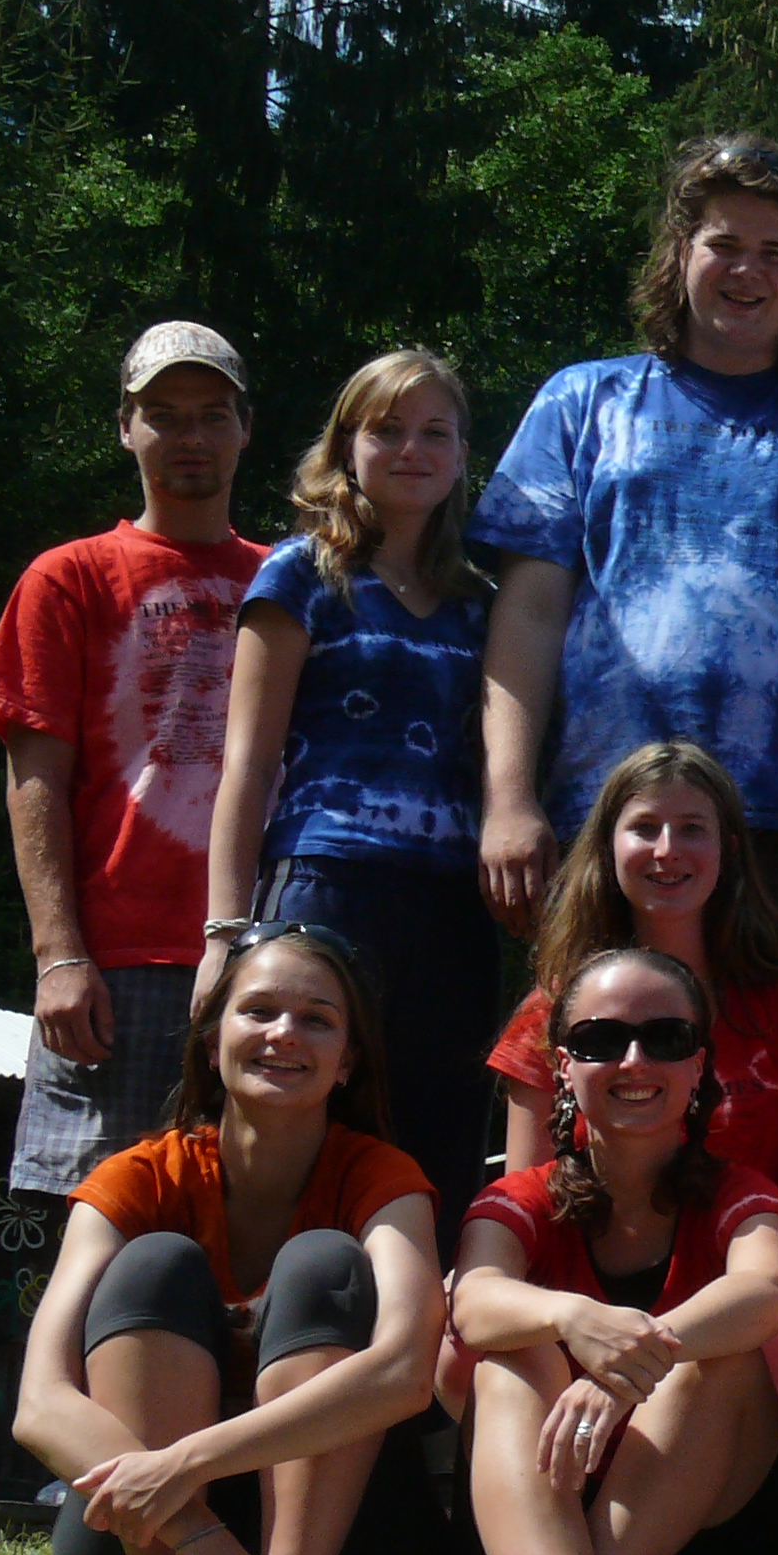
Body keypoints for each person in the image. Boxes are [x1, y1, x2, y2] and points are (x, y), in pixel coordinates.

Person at [474, 137, 778, 992]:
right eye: (724, 244)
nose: (747, 272)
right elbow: (529, 615)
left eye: (775, 253)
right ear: (680, 252)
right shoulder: (580, 402)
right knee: (606, 1059)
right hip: (613, 823)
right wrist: (509, 800)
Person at [12, 923, 445, 1555]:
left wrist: (185, 1464)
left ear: (347, 1062)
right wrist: (194, 1531)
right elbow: (39, 1405)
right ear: (212, 1044)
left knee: (323, 1265)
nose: (285, 1034)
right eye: (260, 1011)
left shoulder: (383, 1179)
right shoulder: (137, 1179)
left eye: (317, 1019)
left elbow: (403, 1373)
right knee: (149, 1267)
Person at [425, 947, 778, 1555]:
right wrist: (573, 1317)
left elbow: (769, 1289)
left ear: (699, 1066)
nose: (634, 1061)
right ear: (563, 1066)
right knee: (509, 1356)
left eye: (665, 1038)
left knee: (720, 1359)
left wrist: (630, 1368)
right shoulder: (519, 1199)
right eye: (602, 1040)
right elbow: (474, 1299)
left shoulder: (739, 1193)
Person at [0, 321, 266, 1194]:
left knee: (248, 1228)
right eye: (164, 415)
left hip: (262, 957)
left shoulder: (288, 581)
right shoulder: (69, 577)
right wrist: (58, 954)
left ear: (245, 429)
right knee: (95, 1227)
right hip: (119, 965)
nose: (190, 437)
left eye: (212, 415)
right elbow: (35, 779)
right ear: (125, 428)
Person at [206, 348, 499, 1218]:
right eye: (388, 430)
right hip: (325, 884)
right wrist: (225, 935)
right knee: (304, 1119)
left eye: (435, 433)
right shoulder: (301, 575)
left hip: (453, 903)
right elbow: (247, 763)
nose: (412, 450)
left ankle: (417, 1301)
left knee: (437, 1135)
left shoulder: (481, 600)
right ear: (346, 446)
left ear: (461, 456)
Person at [488, 742, 778, 1242]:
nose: (666, 850)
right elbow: (524, 1206)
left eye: (691, 829)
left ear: (728, 850)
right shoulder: (551, 1013)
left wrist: (746, 1274)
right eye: (644, 828)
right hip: (589, 1285)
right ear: (607, 847)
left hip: (759, 1273)